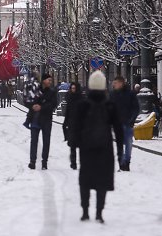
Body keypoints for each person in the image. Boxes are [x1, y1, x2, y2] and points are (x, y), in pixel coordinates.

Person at [70, 71, 124, 223]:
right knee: (102, 180)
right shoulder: (110, 105)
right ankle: (99, 212)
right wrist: (120, 153)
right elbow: (119, 130)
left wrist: (73, 153)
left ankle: (85, 211)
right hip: (105, 147)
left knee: (85, 180)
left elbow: (74, 129)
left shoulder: (82, 105)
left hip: (86, 148)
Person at [26, 74, 57, 170]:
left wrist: (41, 107)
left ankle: (44, 162)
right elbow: (29, 100)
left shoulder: (52, 92)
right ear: (43, 80)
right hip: (35, 119)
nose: (50, 82)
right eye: (49, 80)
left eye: (51, 81)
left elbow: (53, 104)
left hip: (47, 119)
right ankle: (32, 161)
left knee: (46, 141)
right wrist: (32, 106)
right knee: (34, 140)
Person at [110, 76, 140, 171]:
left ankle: (126, 161)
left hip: (127, 123)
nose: (114, 85)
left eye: (116, 83)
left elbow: (136, 108)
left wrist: (132, 119)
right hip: (117, 123)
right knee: (120, 143)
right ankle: (122, 162)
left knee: (128, 142)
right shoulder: (112, 94)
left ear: (121, 83)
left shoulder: (130, 94)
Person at [63, 82, 83, 170]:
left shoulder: (82, 99)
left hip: (80, 125)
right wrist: (65, 123)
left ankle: (82, 163)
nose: (73, 90)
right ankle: (73, 163)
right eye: (72, 88)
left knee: (82, 146)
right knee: (73, 146)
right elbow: (68, 111)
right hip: (72, 124)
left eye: (74, 88)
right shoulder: (70, 98)